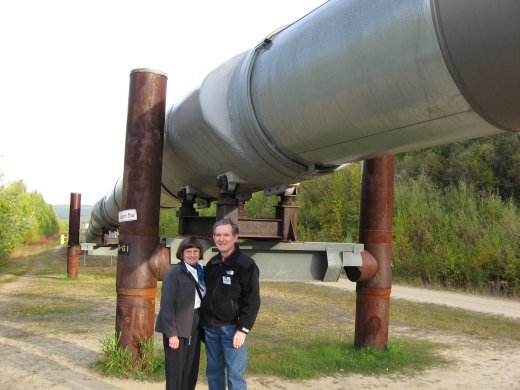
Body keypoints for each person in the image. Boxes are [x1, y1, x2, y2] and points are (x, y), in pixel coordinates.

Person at [201, 219, 261, 390]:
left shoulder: (246, 265)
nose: (221, 239)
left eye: (226, 235)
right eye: (218, 235)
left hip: (232, 330)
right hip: (211, 329)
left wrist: (243, 329)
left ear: (235, 237)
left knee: (235, 375)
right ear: (213, 237)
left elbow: (253, 301)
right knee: (214, 372)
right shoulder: (212, 264)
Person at [155, 236, 206, 390]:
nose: (192, 254)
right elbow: (167, 305)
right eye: (188, 251)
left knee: (191, 370)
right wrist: (172, 334)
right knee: (175, 372)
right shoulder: (173, 273)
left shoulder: (200, 271)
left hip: (195, 323)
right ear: (182, 253)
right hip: (176, 326)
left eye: (195, 251)